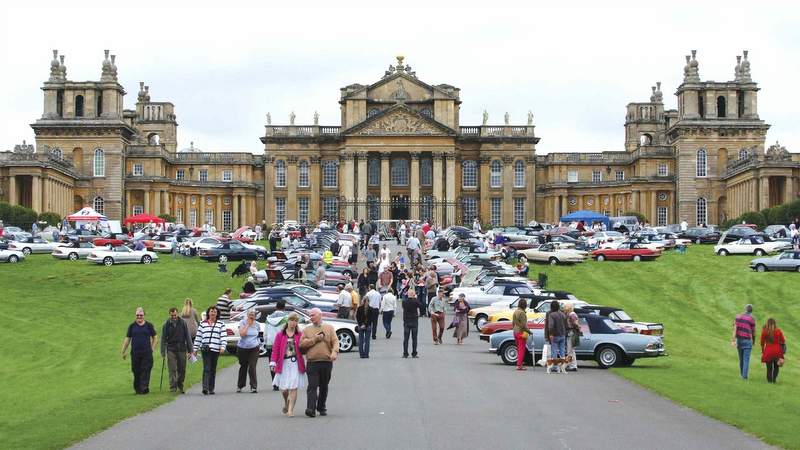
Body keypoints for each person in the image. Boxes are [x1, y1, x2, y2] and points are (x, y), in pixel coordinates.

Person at [299, 308, 338, 418]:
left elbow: (335, 341)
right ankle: (310, 408)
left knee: (324, 386)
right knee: (312, 386)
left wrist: (335, 352)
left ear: (320, 315)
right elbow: (301, 345)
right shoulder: (307, 330)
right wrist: (314, 339)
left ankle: (321, 407)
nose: (311, 317)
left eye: (313, 315)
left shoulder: (329, 328)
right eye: (310, 316)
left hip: (326, 361)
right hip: (312, 362)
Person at [270, 312, 306, 416]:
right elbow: (275, 350)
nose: (293, 323)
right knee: (284, 389)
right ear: (287, 321)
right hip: (283, 364)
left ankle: (290, 410)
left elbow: (304, 347)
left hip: (295, 363)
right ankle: (286, 402)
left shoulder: (299, 334)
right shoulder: (280, 335)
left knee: (293, 386)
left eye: (295, 321)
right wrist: (273, 362)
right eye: (291, 320)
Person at [121, 307, 157, 394]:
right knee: (136, 370)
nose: (139, 317)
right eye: (137, 315)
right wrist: (123, 351)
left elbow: (155, 337)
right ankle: (137, 389)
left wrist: (152, 348)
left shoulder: (149, 326)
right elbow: (127, 339)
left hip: (147, 352)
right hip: (135, 353)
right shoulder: (132, 326)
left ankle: (144, 388)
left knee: (146, 369)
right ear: (135, 315)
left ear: (144, 315)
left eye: (141, 315)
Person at [193, 306, 226, 395]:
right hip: (205, 349)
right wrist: (195, 349)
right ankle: (205, 388)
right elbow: (198, 337)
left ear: (217, 313)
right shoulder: (203, 324)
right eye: (211, 311)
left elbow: (223, 336)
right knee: (206, 368)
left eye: (215, 312)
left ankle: (211, 388)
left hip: (215, 349)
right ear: (208, 313)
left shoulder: (221, 324)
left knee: (213, 369)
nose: (213, 313)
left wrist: (223, 346)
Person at [160, 307, 193, 393]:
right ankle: (173, 387)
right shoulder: (166, 324)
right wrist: (163, 351)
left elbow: (188, 337)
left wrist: (190, 350)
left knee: (182, 369)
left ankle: (180, 384)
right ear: (169, 315)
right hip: (171, 349)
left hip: (182, 348)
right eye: (172, 315)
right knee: (172, 368)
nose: (173, 317)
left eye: (175, 315)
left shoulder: (183, 323)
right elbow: (163, 338)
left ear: (177, 314)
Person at [266, 300, 289, 390]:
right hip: (283, 344)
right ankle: (283, 382)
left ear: (276, 307)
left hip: (270, 344)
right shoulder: (286, 318)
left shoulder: (268, 318)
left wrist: (266, 341)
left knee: (272, 363)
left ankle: (275, 384)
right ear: (284, 307)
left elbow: (265, 332)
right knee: (285, 363)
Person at [236, 308, 260, 393]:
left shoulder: (257, 324)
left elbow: (257, 335)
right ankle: (240, 385)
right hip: (242, 348)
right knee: (243, 366)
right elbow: (242, 334)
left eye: (253, 314)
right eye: (250, 314)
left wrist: (258, 343)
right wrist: (248, 325)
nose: (251, 316)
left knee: (252, 367)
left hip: (254, 348)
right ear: (247, 315)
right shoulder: (242, 322)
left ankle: (253, 386)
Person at [731, 304, 757, 380]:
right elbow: (754, 332)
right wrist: (754, 341)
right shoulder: (752, 318)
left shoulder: (737, 316)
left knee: (741, 359)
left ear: (745, 309)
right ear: (751, 311)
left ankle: (742, 374)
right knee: (746, 359)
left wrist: (733, 339)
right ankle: (744, 377)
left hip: (739, 340)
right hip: (747, 340)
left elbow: (734, 328)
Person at [760, 318, 786, 383]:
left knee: (769, 368)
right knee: (776, 367)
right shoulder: (778, 331)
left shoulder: (764, 331)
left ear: (767, 323)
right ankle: (774, 380)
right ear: (775, 324)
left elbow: (762, 342)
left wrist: (763, 350)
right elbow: (783, 340)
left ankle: (769, 381)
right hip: (777, 351)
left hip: (768, 351)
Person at [545, 301, 568, 374]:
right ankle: (562, 366)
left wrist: (550, 334)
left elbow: (551, 326)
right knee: (562, 351)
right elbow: (566, 325)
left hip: (555, 335)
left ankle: (555, 366)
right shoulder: (563, 314)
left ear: (551, 307)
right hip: (563, 335)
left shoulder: (551, 315)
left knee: (554, 350)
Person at [512, 298, 533, 370]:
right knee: (522, 349)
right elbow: (524, 325)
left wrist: (514, 330)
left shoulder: (516, 311)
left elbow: (513, 323)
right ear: (525, 305)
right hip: (521, 332)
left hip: (515, 331)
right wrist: (529, 332)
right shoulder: (522, 313)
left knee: (518, 348)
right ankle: (519, 365)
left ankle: (519, 364)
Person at [402, 289, 420, 358]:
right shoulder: (415, 301)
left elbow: (403, 308)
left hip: (406, 321)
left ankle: (405, 353)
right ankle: (414, 353)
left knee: (406, 338)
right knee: (414, 338)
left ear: (407, 294)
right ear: (413, 294)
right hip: (414, 320)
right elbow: (421, 305)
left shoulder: (404, 302)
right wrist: (415, 298)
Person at [564, 304, 580, 372]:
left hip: (571, 333)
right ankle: (572, 365)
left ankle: (572, 366)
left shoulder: (571, 314)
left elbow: (576, 324)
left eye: (565, 308)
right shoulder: (572, 314)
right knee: (571, 350)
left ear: (568, 309)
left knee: (570, 350)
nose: (564, 310)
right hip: (572, 333)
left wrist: (577, 328)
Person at [355, 292, 371, 358]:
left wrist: (361, 324)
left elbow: (357, 317)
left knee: (361, 341)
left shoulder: (359, 308)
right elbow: (371, 319)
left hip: (360, 326)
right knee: (367, 341)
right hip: (368, 326)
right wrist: (366, 325)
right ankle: (366, 354)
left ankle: (361, 354)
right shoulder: (370, 309)